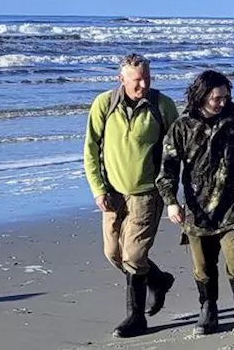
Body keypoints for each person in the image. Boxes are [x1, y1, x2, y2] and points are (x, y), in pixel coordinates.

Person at [156, 69, 234, 337]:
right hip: (197, 211)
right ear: (201, 96)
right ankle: (208, 310)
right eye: (217, 98)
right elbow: (168, 168)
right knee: (202, 267)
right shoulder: (183, 126)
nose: (222, 102)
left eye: (226, 96)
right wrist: (171, 202)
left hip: (233, 205)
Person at [82, 53, 180, 338]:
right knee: (113, 253)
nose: (143, 84)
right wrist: (98, 188)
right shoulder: (104, 104)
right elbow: (91, 149)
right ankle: (159, 280)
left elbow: (177, 150)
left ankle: (136, 318)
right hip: (112, 193)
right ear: (121, 79)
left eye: (147, 78)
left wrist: (172, 192)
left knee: (134, 255)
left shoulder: (162, 105)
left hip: (148, 193)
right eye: (137, 80)